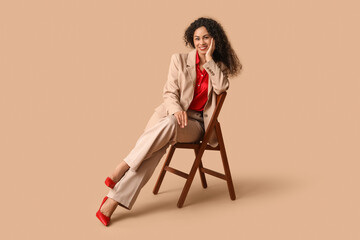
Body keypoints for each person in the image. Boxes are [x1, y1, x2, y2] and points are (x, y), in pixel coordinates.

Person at [96, 17, 242, 226]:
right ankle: (111, 202)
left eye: (206, 38)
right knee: (154, 152)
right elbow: (169, 92)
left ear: (214, 39)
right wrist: (175, 111)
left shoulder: (218, 67)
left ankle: (123, 165)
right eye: (197, 38)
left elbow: (222, 87)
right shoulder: (179, 60)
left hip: (196, 125)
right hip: (169, 117)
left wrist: (209, 59)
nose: (201, 42)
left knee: (169, 129)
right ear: (192, 40)